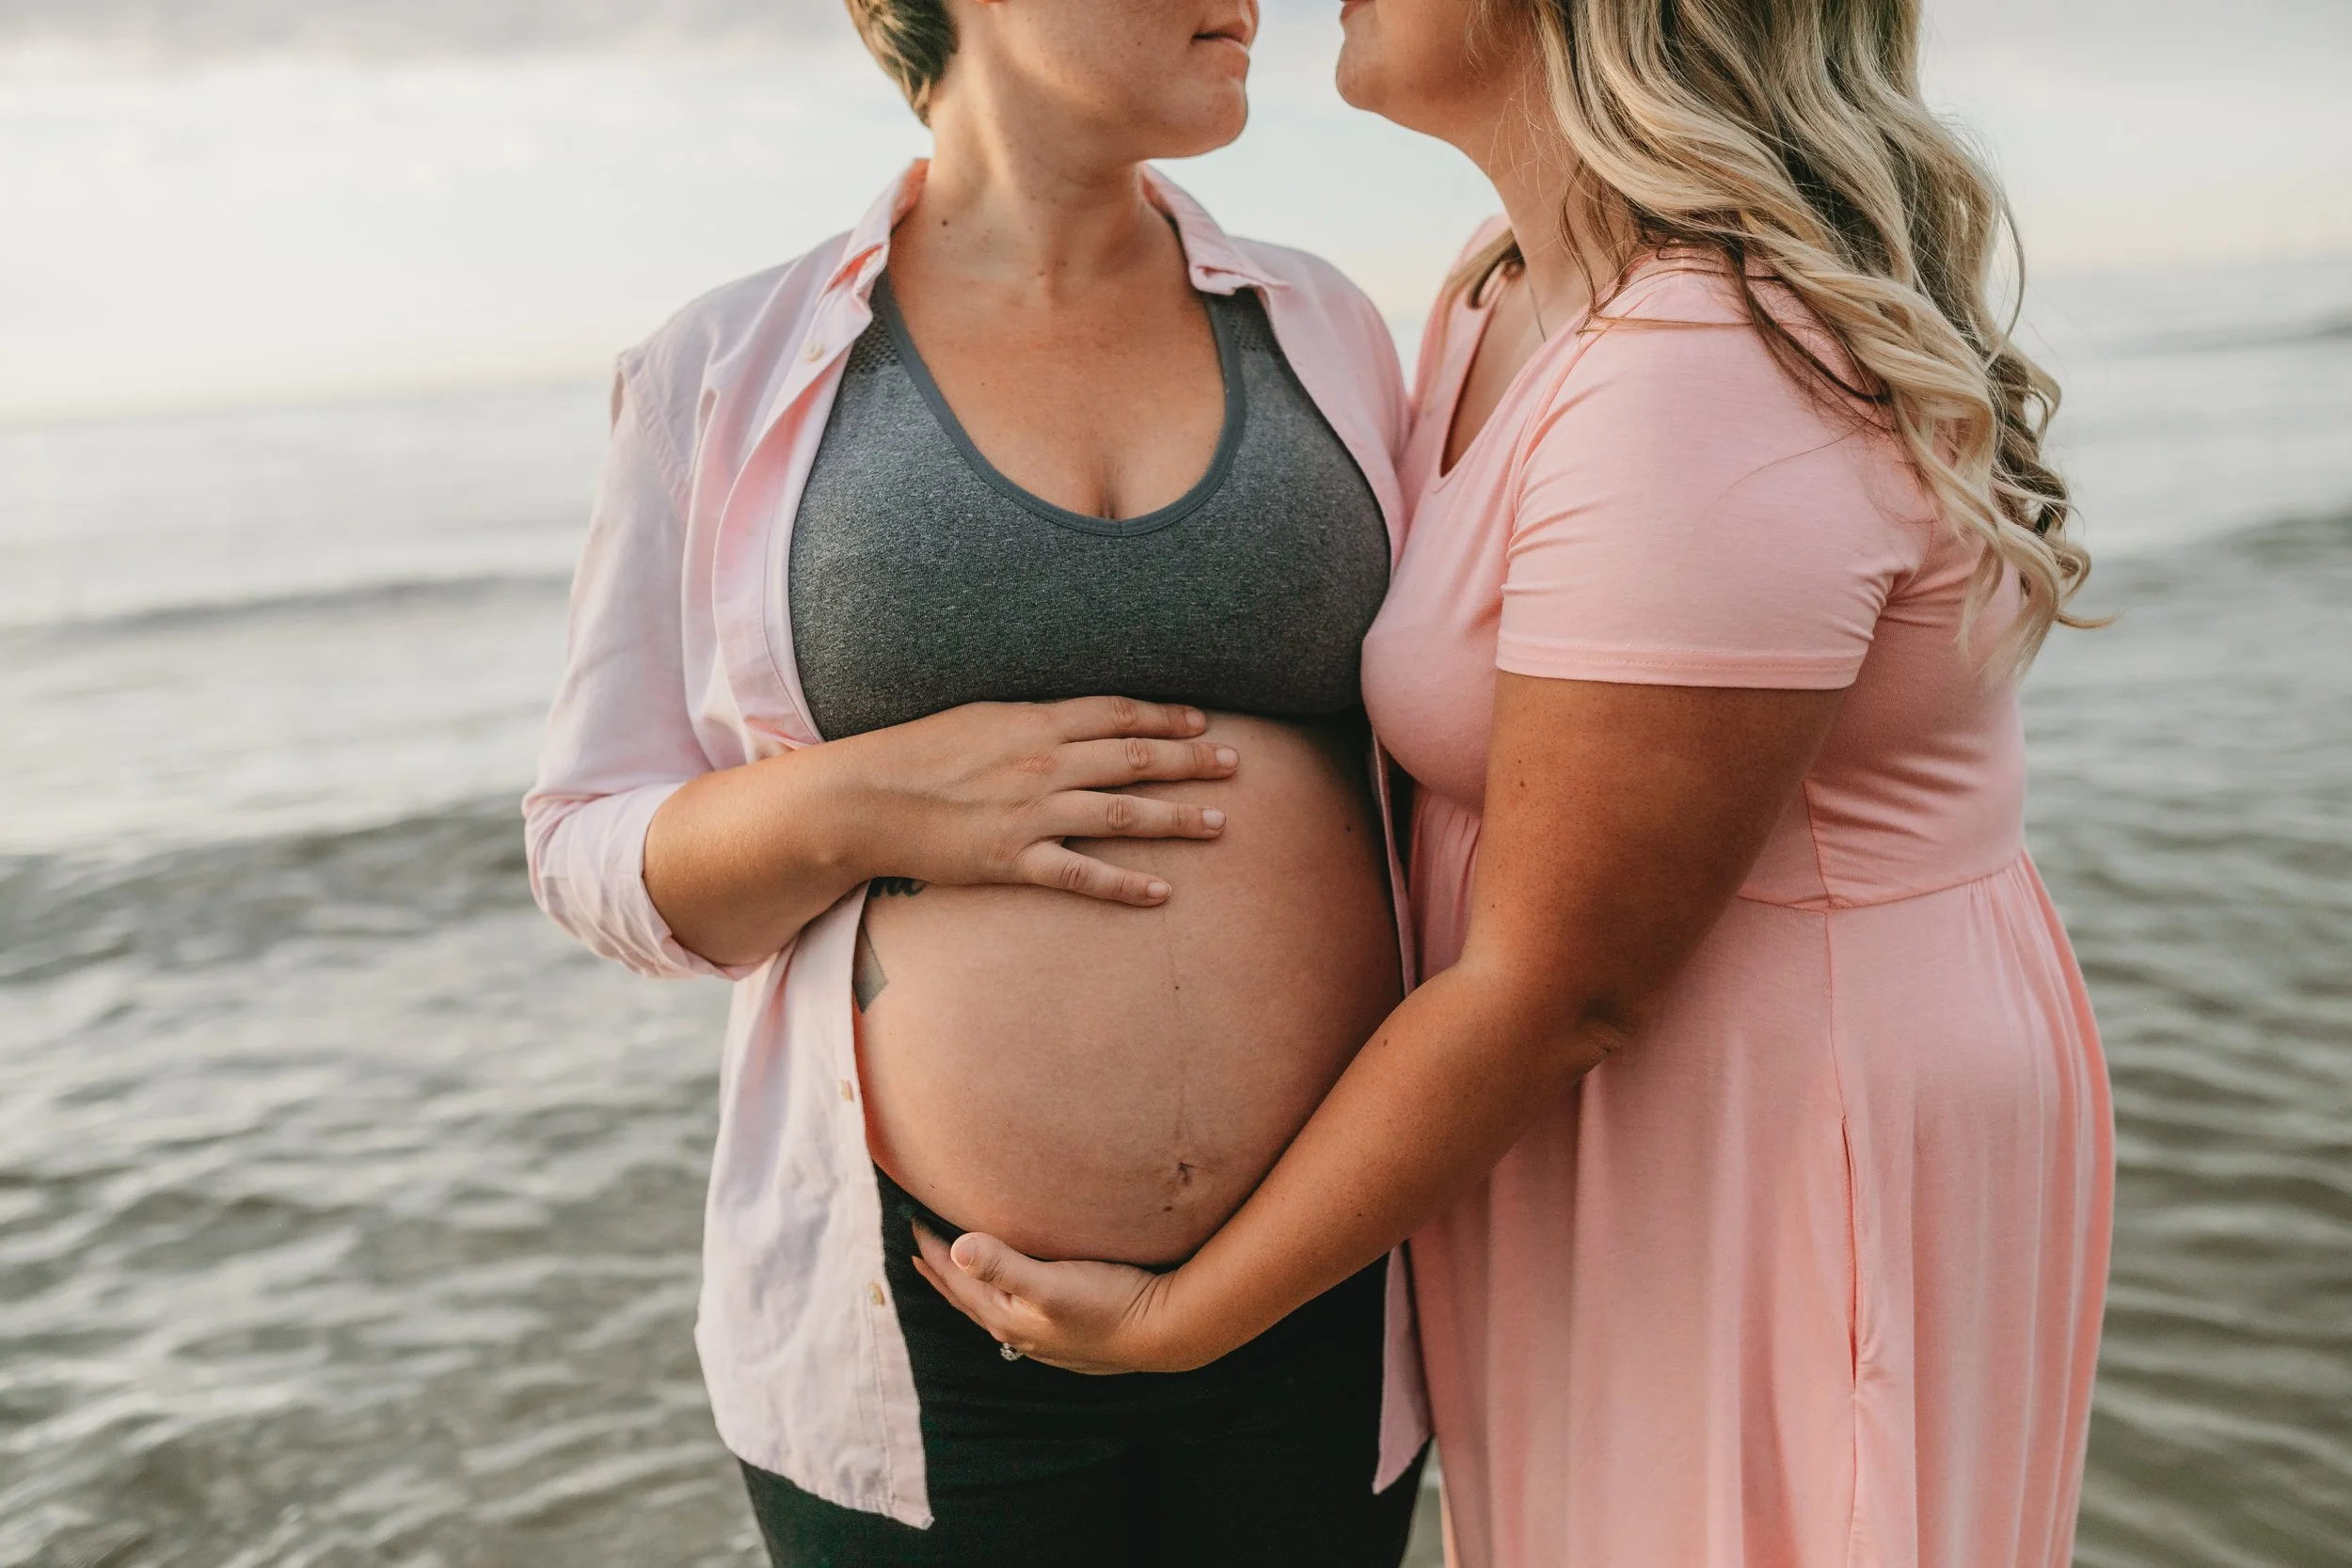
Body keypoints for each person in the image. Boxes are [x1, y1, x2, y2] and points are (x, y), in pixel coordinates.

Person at [913, 2, 2117, 1564]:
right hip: (1595, 1124)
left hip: (1759, 1128)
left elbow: (1567, 985)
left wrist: (1178, 1317)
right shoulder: (1502, 290)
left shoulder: (1706, 368)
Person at [524, 0, 1434, 1561]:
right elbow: (590, 851)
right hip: (933, 1337)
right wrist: (867, 797)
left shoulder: (1326, 326)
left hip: (1318, 1288)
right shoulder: (723, 367)